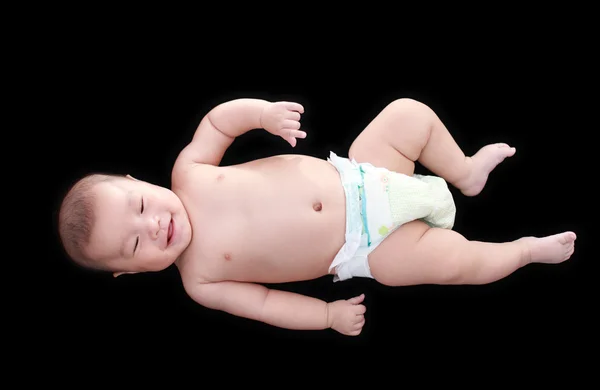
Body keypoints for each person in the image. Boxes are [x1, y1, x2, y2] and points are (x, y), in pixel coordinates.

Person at [57, 98, 576, 336]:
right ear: (131, 273)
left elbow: (217, 121)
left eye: (141, 207)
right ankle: (525, 250)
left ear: (135, 181)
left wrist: (262, 115)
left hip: (365, 172)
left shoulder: (189, 171)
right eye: (133, 246)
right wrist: (325, 317)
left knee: (406, 115)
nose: (152, 226)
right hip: (366, 249)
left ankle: (465, 173)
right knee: (454, 263)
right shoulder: (201, 279)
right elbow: (264, 303)